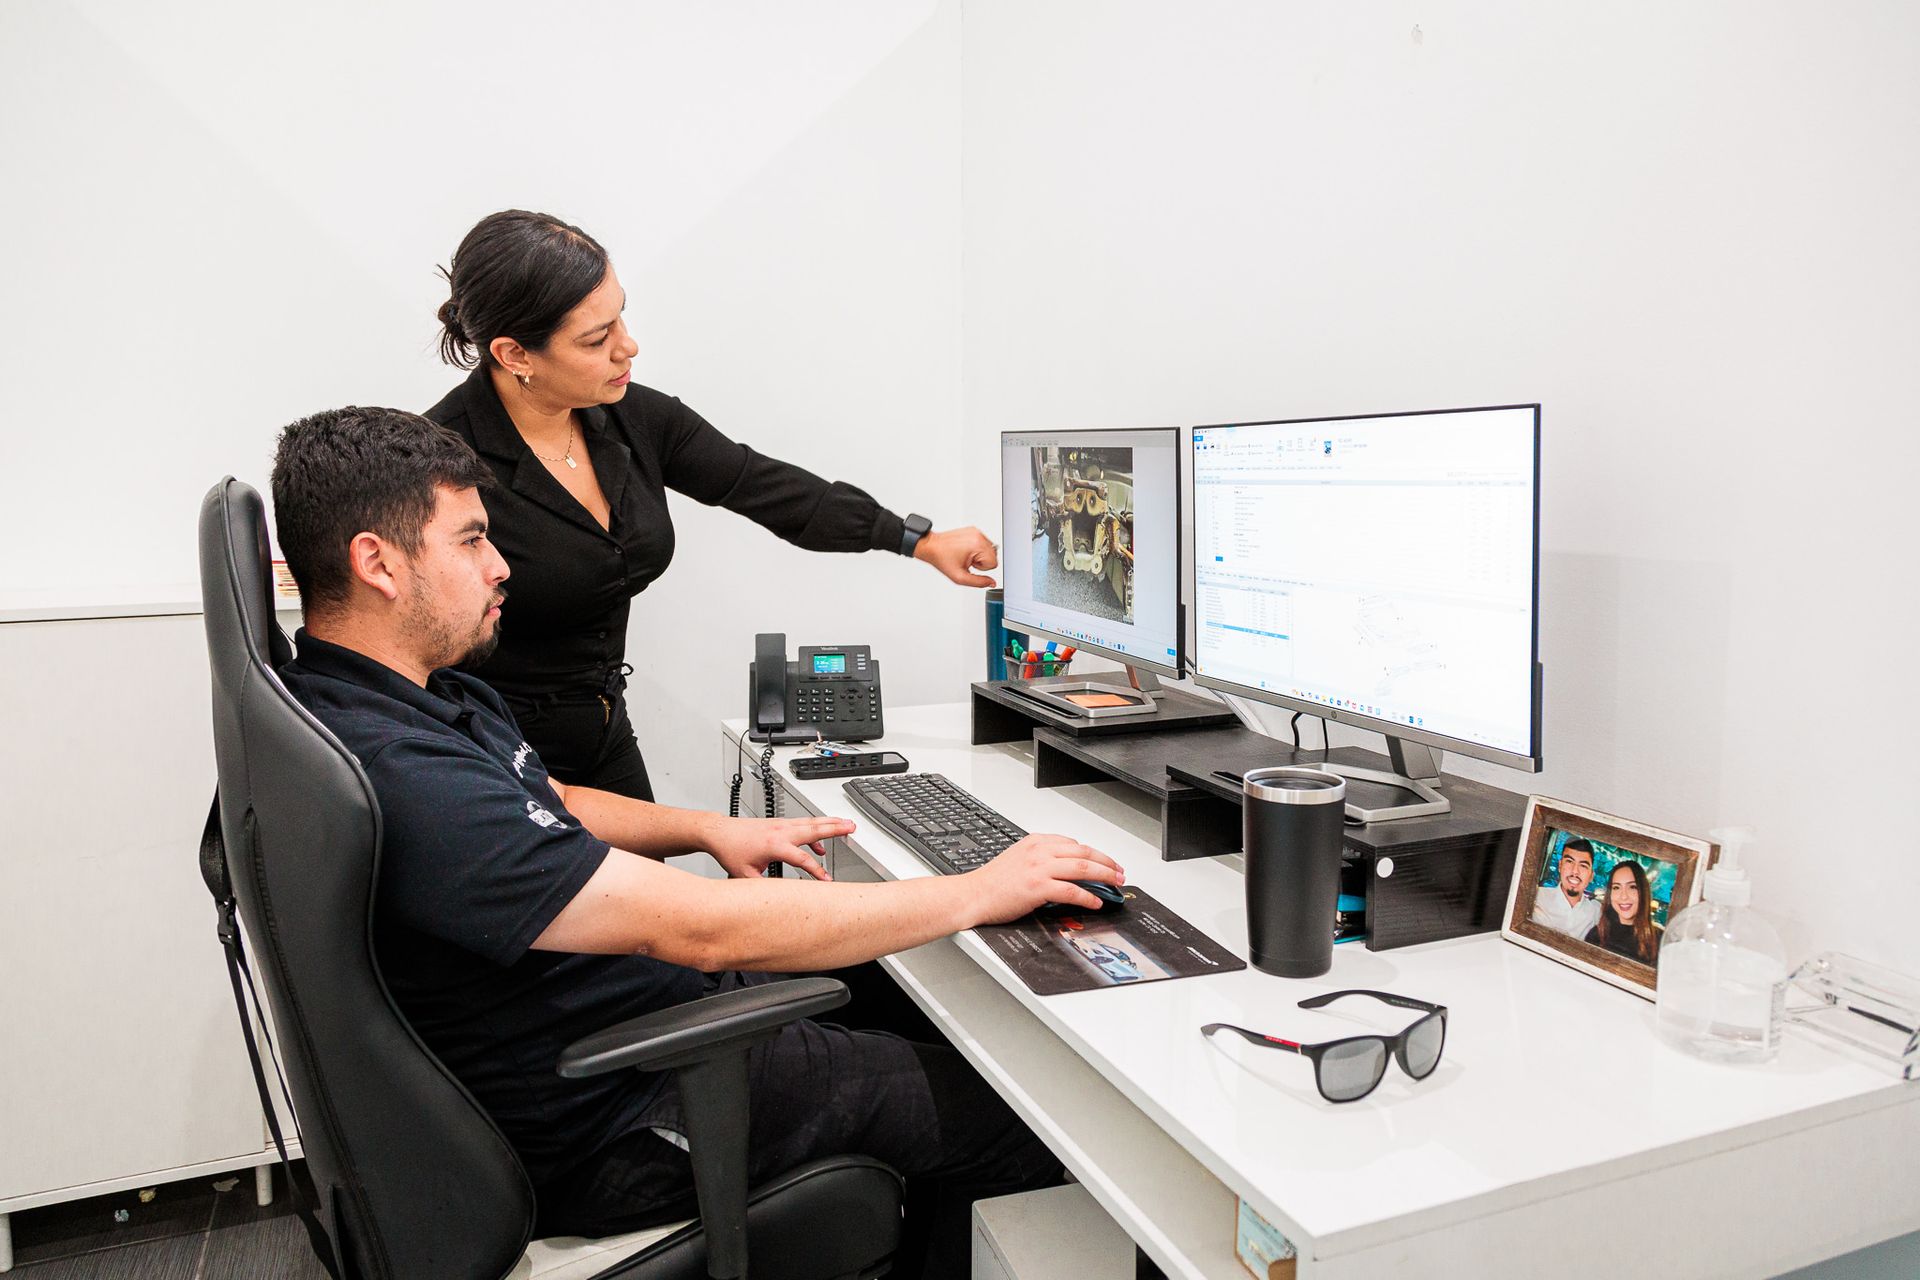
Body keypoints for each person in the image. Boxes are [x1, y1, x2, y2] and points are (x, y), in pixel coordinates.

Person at [267, 406, 1123, 1279]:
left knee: (895, 993)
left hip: (620, 1026)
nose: (501, 566)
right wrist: (979, 888)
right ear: (377, 561)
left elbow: (552, 796)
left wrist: (711, 827)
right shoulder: (403, 771)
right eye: (472, 541)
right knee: (1015, 1112)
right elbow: (701, 930)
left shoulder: (406, 698)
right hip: (618, 1113)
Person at [426, 209, 1000, 801]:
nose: (629, 346)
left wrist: (919, 541)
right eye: (597, 339)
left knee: (660, 881)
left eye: (620, 315)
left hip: (603, 728)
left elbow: (764, 487)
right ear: (515, 353)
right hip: (490, 745)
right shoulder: (440, 462)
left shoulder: (635, 420)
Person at [1585, 859, 1662, 963]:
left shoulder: (1660, 942)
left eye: (1632, 887)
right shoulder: (1596, 935)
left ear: (1643, 891)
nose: (1623, 896)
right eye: (1616, 887)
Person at [1531, 837, 1600, 939]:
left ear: (1591, 876)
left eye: (1583, 866)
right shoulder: (1536, 897)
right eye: (1569, 861)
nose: (1575, 871)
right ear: (1559, 866)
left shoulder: (1596, 912)